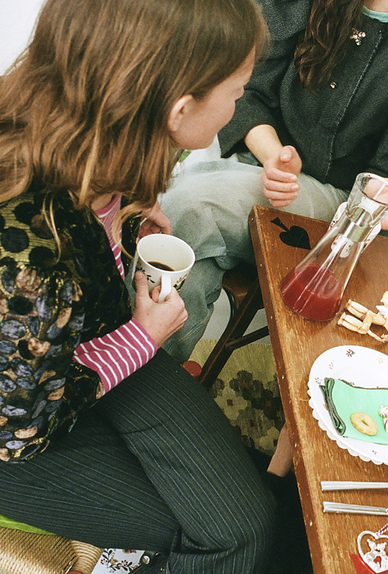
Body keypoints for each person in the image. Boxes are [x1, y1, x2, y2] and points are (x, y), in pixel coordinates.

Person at [0, 0, 280, 572]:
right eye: (236, 91)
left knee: (250, 521)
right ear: (179, 109)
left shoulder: (83, 142)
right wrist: (143, 339)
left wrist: (122, 206)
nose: (237, 109)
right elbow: (21, 429)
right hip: (23, 423)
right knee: (225, 540)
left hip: (84, 346)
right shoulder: (28, 265)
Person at [160, 0, 388, 362]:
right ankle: (150, 380)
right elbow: (249, 88)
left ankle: (132, 371)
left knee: (188, 203)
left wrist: (380, 199)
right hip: (256, 153)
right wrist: (274, 156)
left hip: (337, 201)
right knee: (192, 258)